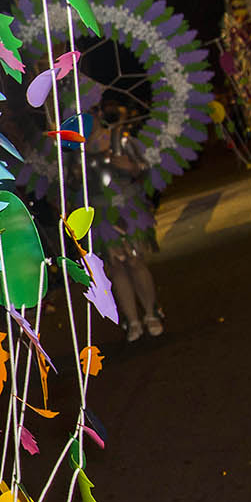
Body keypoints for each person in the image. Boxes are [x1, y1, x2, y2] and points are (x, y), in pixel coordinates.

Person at [88, 100, 164, 341]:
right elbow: (68, 187)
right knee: (116, 266)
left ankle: (151, 313)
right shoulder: (73, 151)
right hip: (99, 214)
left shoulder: (120, 138)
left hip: (128, 208)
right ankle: (132, 320)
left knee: (134, 260)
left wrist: (132, 166)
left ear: (98, 114)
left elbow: (146, 170)